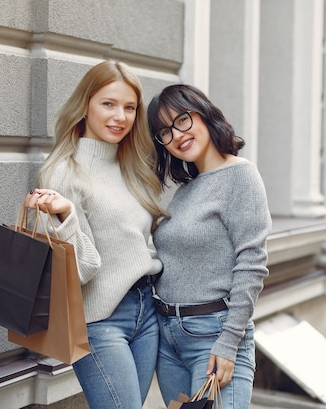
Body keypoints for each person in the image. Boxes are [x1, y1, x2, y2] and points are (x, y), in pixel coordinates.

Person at [24, 60, 168, 409]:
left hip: (146, 311)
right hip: (99, 320)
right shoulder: (63, 172)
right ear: (85, 105)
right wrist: (69, 216)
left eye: (130, 107)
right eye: (108, 104)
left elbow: (142, 246)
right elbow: (80, 270)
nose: (121, 116)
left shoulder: (132, 167)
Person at [147, 84, 271, 409]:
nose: (176, 135)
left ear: (203, 113)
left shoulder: (241, 176)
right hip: (169, 339)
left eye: (182, 120)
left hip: (213, 335)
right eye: (165, 132)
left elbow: (252, 263)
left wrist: (229, 343)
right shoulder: (185, 191)